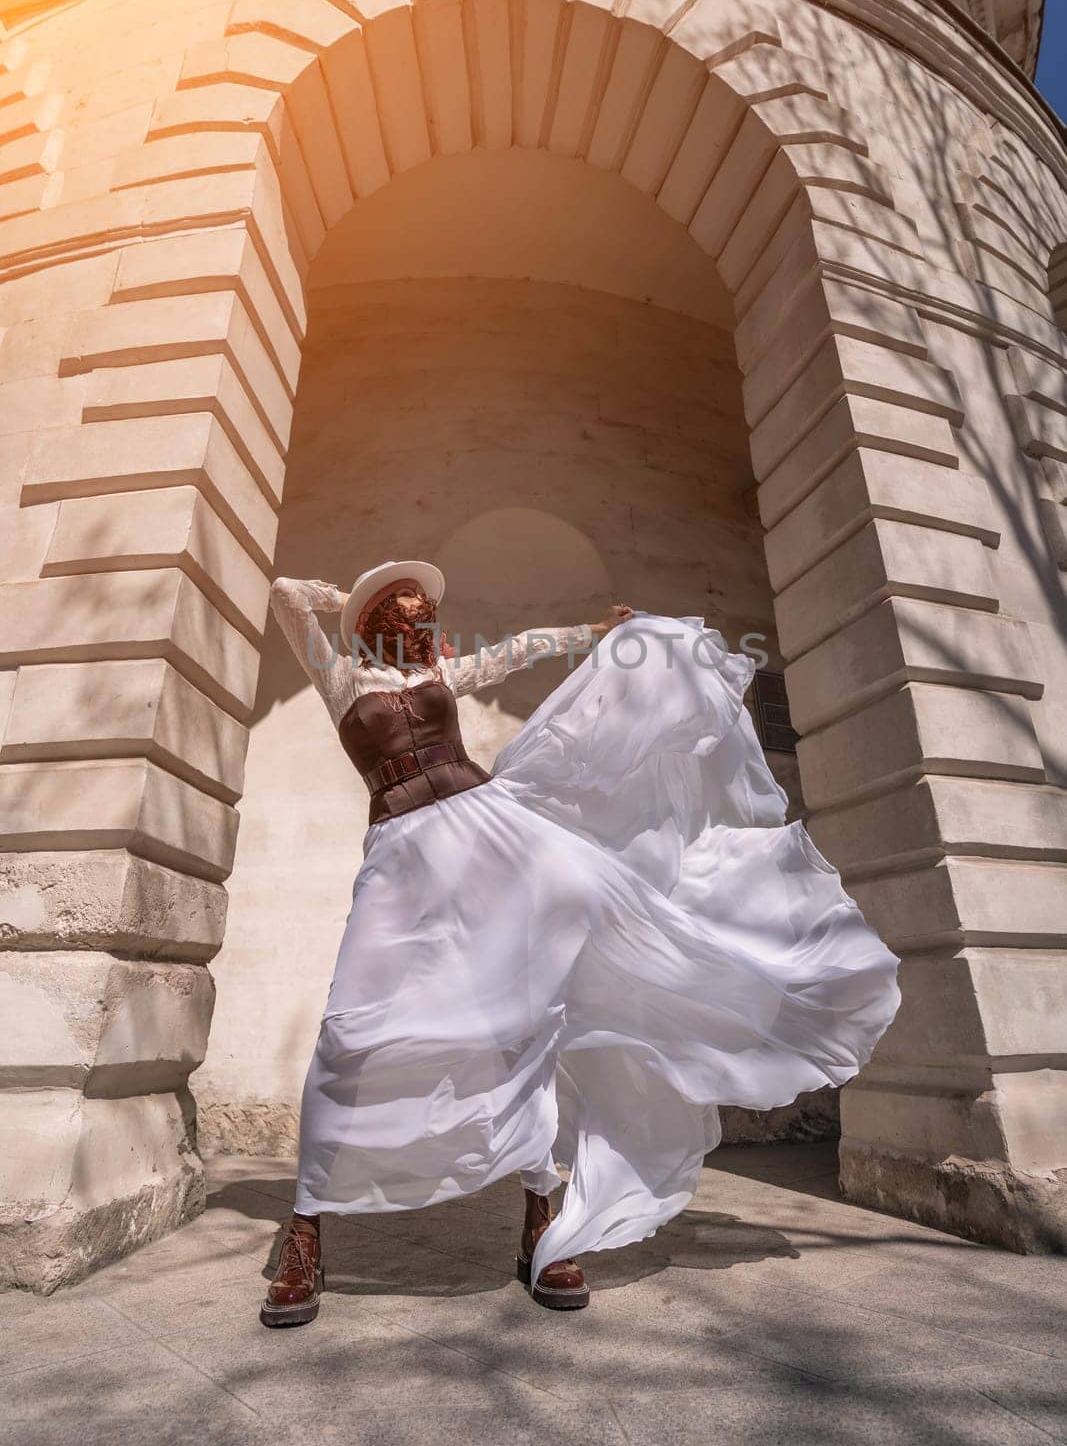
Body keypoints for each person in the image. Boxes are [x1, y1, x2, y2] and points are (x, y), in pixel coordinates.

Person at [259, 561, 902, 1327]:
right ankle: (306, 1232)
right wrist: (352, 598)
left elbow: (522, 647)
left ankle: (541, 1220)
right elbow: (285, 597)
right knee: (348, 1031)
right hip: (400, 857)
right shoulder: (340, 678)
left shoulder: (442, 670)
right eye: (405, 608)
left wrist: (595, 635)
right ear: (372, 623)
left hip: (491, 832)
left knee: (528, 1020)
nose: (422, 618)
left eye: (426, 608)